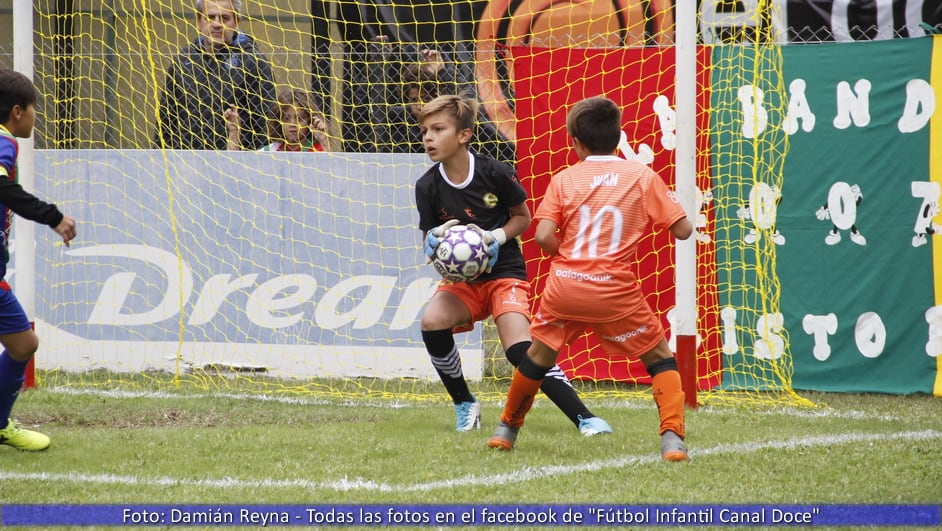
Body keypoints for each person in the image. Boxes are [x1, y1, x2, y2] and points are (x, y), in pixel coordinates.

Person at [486, 96, 693, 461]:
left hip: (565, 286)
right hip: (614, 290)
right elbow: (684, 230)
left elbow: (543, 236)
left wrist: (566, 254)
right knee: (660, 358)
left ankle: (506, 430)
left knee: (537, 358)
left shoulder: (565, 179)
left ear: (576, 142)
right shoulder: (642, 176)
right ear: (619, 137)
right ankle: (672, 440)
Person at [416, 94, 612, 436]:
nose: (428, 138)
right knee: (432, 322)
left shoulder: (494, 173)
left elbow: (522, 218)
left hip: (504, 273)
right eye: (424, 131)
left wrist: (495, 238)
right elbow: (430, 241)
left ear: (463, 135)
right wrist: (432, 244)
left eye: (438, 129)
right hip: (463, 282)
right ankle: (464, 402)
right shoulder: (427, 186)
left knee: (520, 350)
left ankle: (584, 417)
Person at [0, 69, 77, 451]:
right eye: (34, 109)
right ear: (18, 111)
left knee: (23, 344)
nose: (36, 117)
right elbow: (1, 185)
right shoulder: (3, 141)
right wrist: (54, 217)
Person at [154, 0, 276, 150]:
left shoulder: (254, 62)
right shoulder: (183, 61)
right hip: (187, 163)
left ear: (237, 21)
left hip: (237, 165)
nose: (217, 24)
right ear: (198, 22)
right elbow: (166, 119)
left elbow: (265, 124)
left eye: (224, 18)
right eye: (210, 17)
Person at [225, 88, 332, 152]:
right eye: (286, 118)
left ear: (310, 121)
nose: (293, 124)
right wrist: (234, 133)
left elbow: (331, 177)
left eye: (300, 118)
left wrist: (324, 141)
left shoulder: (317, 150)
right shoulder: (271, 151)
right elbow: (234, 169)